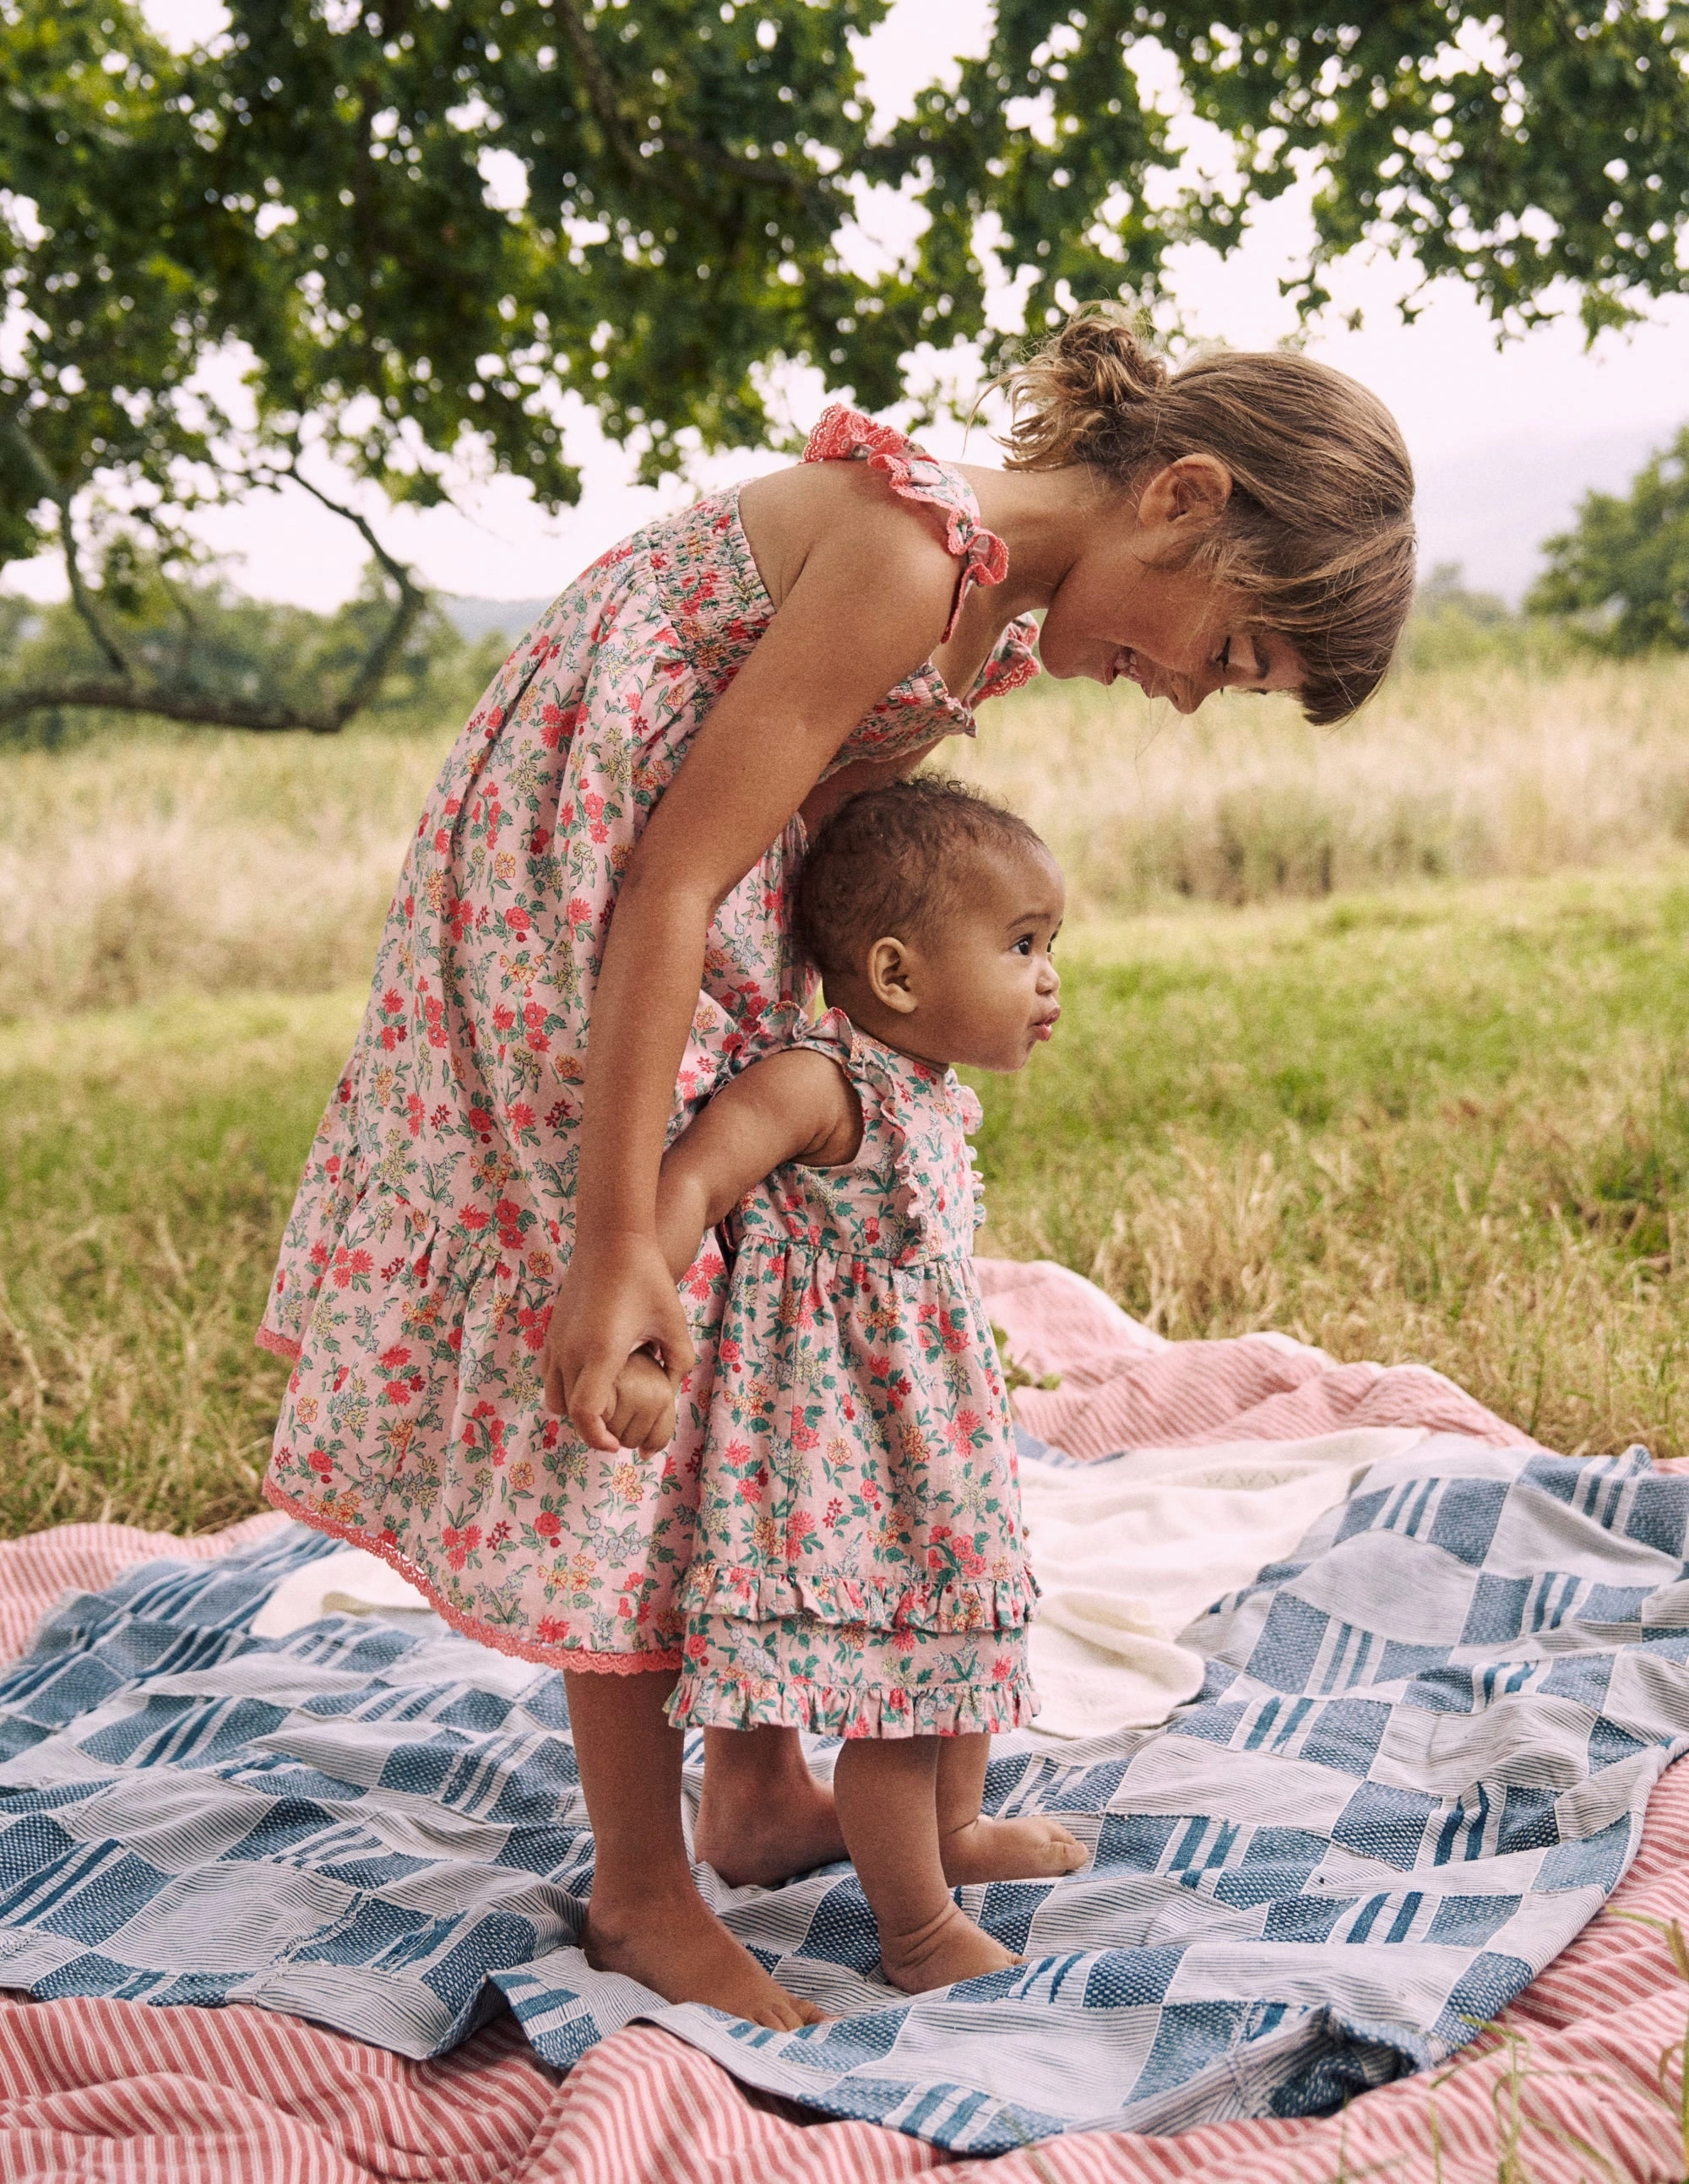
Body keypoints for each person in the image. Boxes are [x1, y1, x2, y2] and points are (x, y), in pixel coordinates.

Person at [259, 302, 1416, 2030]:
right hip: (581, 924)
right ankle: (644, 1889)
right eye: (1230, 652)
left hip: (683, 929)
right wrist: (609, 1240)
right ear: (1180, 495)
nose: (1189, 696)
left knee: (751, 1325)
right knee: (643, 1348)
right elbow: (659, 877)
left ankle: (760, 1793)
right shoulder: (902, 551)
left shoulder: (979, 622)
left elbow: (779, 852)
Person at [606, 779, 1085, 1994]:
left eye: (1051, 946)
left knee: (968, 1629)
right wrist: (644, 1333)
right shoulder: (823, 1083)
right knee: (904, 1689)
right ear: (898, 971)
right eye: (1022, 945)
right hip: (847, 1456)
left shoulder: (927, 1089)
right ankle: (914, 1925)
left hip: (935, 1440)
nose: (1049, 977)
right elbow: (695, 1180)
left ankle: (953, 1828)